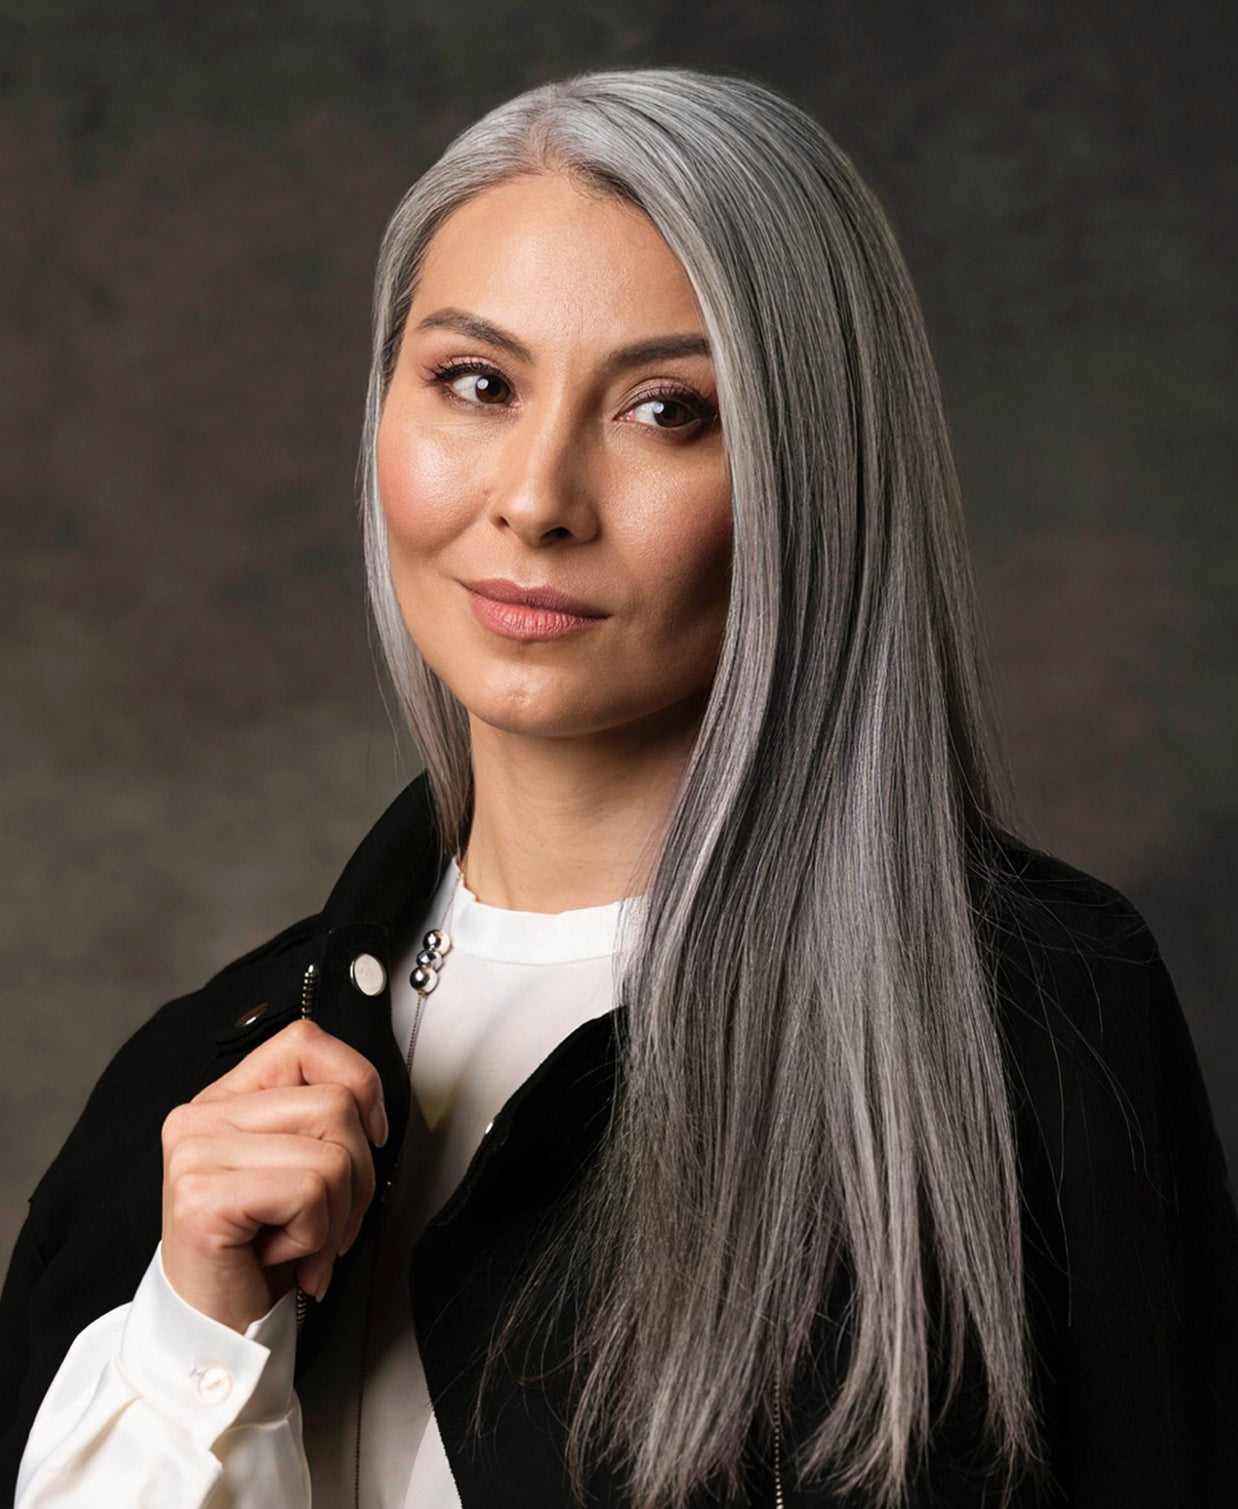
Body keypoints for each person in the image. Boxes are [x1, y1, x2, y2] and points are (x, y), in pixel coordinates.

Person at [3, 65, 1236, 1509]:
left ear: (814, 477)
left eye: (667, 410)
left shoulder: (1026, 1017)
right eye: (477, 383)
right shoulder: (188, 1084)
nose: (536, 499)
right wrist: (197, 1344)